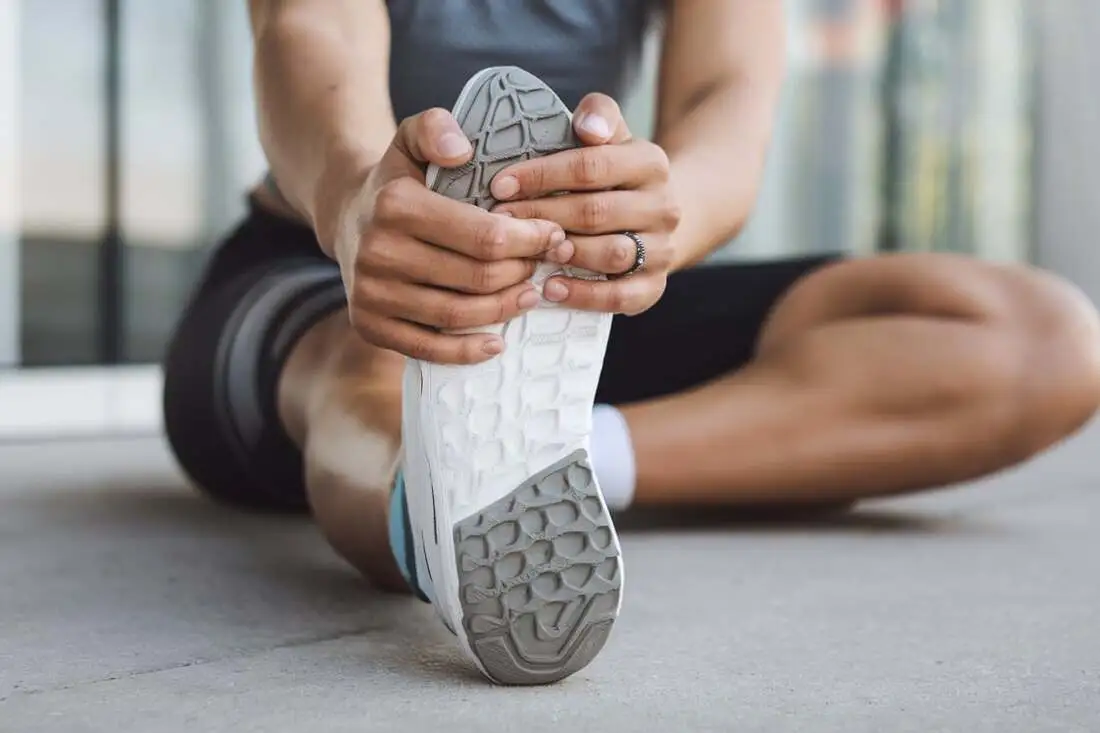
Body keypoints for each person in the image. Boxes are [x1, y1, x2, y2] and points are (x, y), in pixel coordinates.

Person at [162, 0, 1100, 685]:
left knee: (1042, 339)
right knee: (389, 363)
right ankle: (431, 513)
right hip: (316, 264)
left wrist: (652, 228)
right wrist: (358, 205)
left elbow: (728, 102)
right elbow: (306, 33)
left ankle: (565, 455)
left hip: (574, 281)